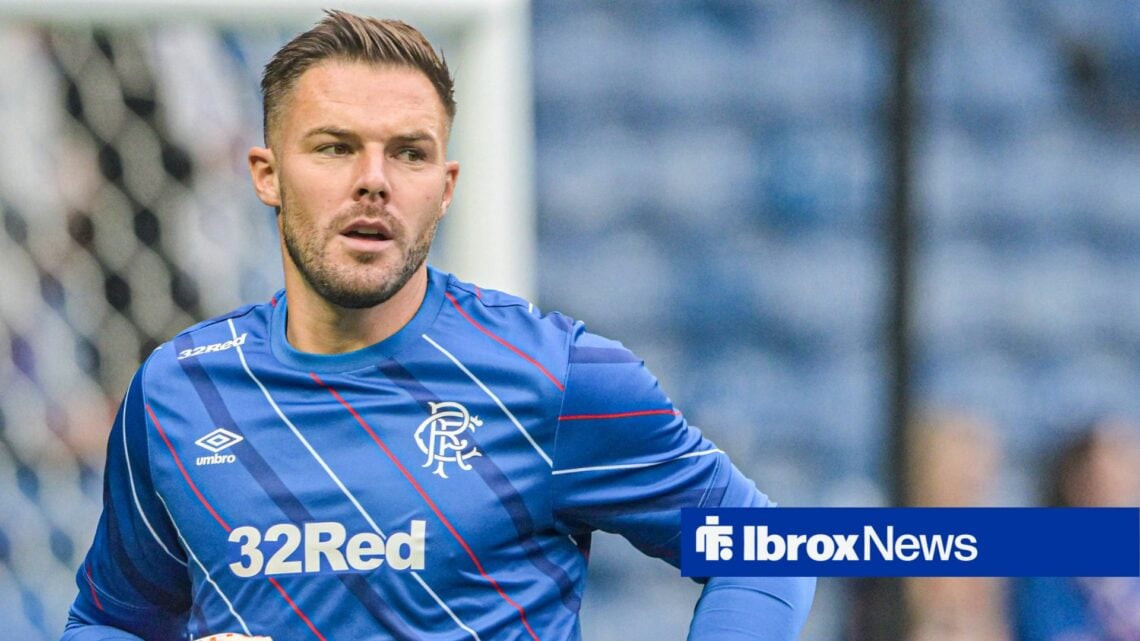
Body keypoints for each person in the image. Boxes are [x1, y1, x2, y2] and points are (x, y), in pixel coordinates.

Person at [60, 11, 815, 641]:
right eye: (335, 146)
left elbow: (764, 551)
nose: (374, 180)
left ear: (445, 186)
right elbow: (114, 617)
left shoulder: (555, 376)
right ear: (267, 173)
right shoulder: (178, 395)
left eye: (409, 153)